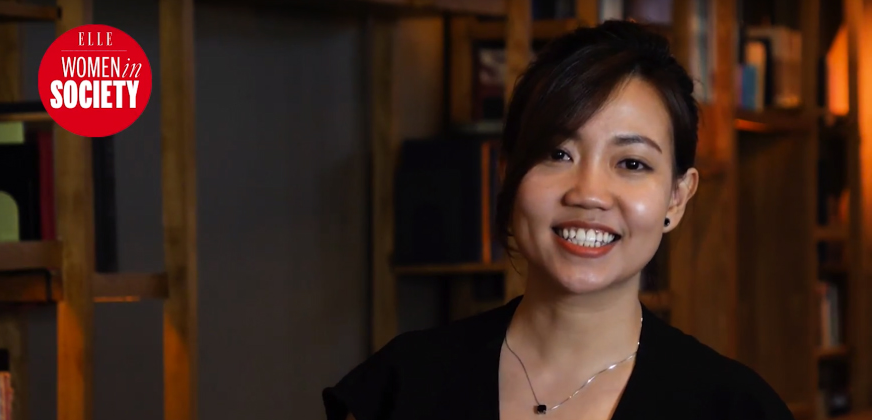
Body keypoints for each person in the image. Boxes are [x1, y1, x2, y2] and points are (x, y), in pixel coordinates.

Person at [323, 19, 794, 420]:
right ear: (508, 174)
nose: (588, 193)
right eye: (557, 153)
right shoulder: (402, 385)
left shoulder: (735, 408)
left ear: (677, 198)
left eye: (631, 163)